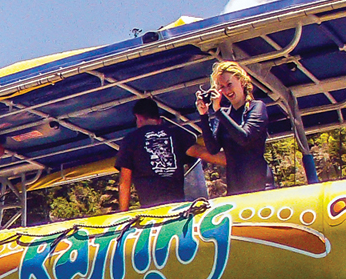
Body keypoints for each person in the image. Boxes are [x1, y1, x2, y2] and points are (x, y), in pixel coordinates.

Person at [194, 62, 271, 195]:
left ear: (241, 81)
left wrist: (218, 111)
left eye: (229, 84)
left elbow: (244, 138)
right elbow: (213, 148)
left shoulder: (257, 107)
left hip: (261, 184)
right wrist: (204, 115)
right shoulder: (223, 114)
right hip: (235, 185)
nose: (227, 91)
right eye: (222, 87)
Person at [115, 97, 201, 211]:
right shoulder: (177, 134)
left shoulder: (130, 139)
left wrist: (123, 214)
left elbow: (125, 183)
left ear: (138, 118)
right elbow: (204, 153)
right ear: (158, 119)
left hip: (152, 211)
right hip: (177, 209)